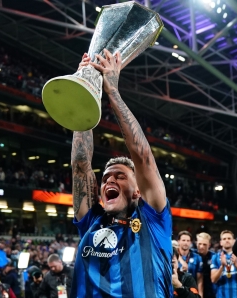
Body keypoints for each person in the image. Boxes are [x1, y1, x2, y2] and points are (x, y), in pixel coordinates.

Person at [71, 50, 172, 297]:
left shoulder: (154, 220)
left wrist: (112, 91)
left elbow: (142, 155)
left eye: (120, 176)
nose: (109, 181)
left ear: (138, 190)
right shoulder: (91, 221)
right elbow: (81, 163)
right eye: (105, 178)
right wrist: (85, 88)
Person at [211, 230, 237, 298]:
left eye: (229, 238)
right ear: (221, 242)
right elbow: (213, 279)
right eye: (224, 239)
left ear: (234, 241)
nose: (227, 240)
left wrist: (236, 264)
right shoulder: (215, 257)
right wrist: (222, 266)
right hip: (222, 295)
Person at [196, 232, 215, 298]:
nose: (201, 246)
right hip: (194, 289)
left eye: (204, 244)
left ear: (209, 245)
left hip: (211, 291)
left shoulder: (214, 257)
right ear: (196, 243)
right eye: (199, 244)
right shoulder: (191, 255)